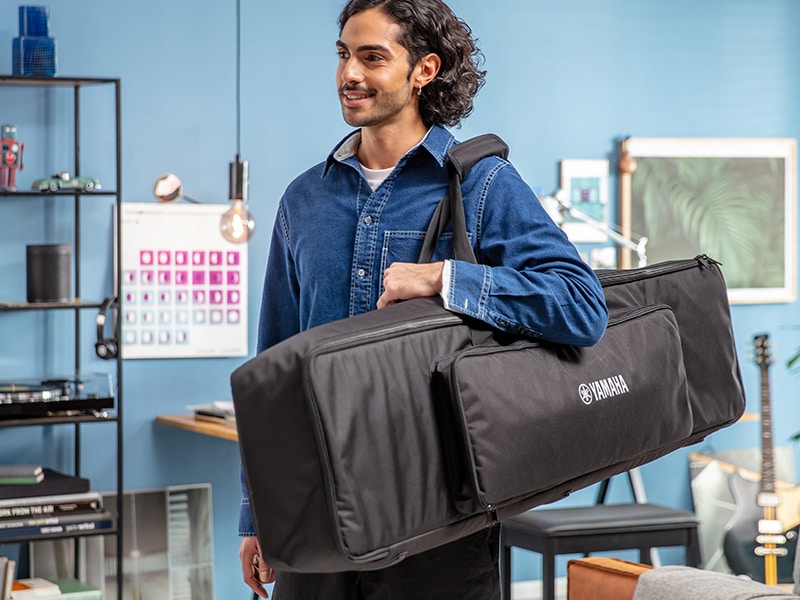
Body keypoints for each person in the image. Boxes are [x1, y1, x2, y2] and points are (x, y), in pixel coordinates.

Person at [239, 0, 608, 598]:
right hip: (315, 510)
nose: (349, 74)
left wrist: (446, 279)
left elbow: (580, 305)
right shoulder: (303, 199)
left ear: (424, 70)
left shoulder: (481, 184)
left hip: (439, 513)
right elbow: (273, 364)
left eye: (372, 57)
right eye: (343, 54)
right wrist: (257, 514)